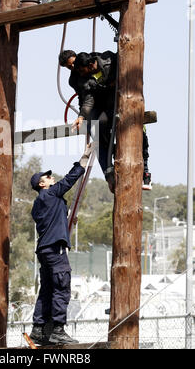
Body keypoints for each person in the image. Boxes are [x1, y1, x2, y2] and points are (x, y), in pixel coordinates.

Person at [59, 50, 152, 192]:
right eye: (70, 67)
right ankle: (109, 172)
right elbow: (87, 97)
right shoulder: (76, 79)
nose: (74, 69)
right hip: (94, 105)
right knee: (97, 132)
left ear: (88, 64)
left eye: (74, 65)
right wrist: (82, 116)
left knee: (135, 129)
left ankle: (144, 170)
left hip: (113, 100)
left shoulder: (104, 59)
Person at [29, 143, 94, 346]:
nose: (51, 177)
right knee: (61, 287)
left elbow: (52, 220)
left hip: (44, 250)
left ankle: (38, 329)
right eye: (47, 177)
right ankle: (57, 329)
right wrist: (83, 159)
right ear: (42, 184)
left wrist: (65, 222)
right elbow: (69, 181)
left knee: (47, 288)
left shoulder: (38, 204)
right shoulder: (51, 194)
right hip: (55, 249)